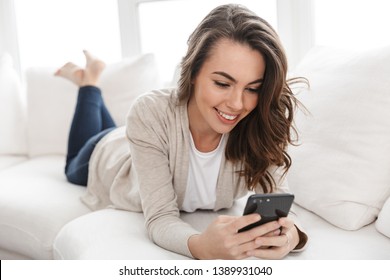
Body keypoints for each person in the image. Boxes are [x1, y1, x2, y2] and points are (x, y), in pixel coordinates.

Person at [55, 4, 308, 259]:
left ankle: (91, 82)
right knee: (72, 163)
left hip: (141, 136)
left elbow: (278, 200)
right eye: (222, 83)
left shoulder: (260, 121)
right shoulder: (149, 111)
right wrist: (202, 247)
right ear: (194, 72)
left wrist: (292, 235)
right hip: (109, 154)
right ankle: (88, 83)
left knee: (118, 129)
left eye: (253, 88)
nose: (237, 104)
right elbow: (160, 217)